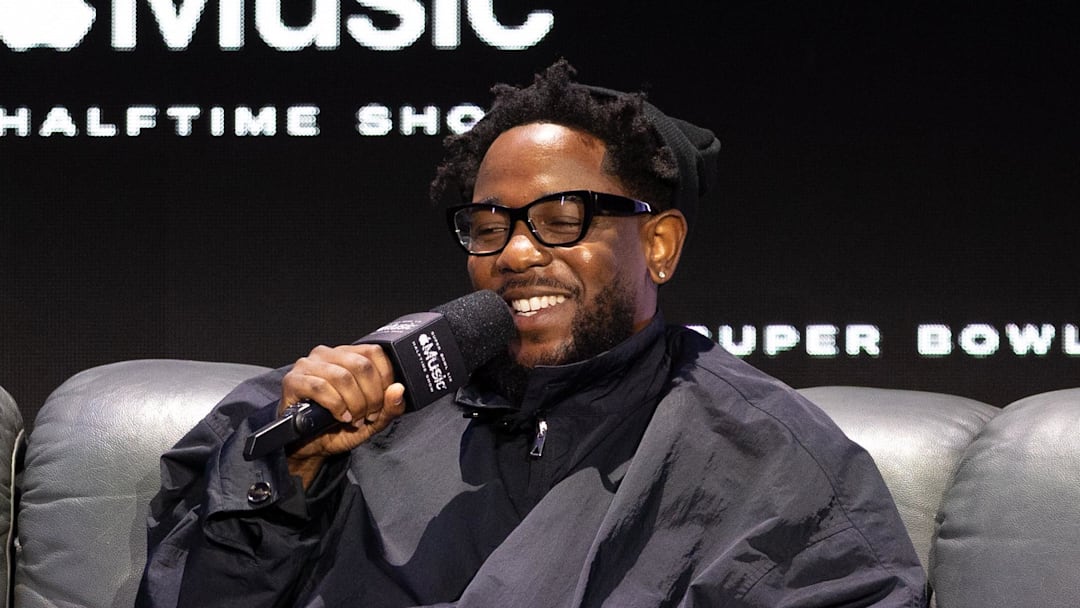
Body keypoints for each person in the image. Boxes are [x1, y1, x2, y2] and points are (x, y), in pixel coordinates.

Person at [136, 59, 927, 607]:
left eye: (560, 219)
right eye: (487, 226)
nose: (515, 253)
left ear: (658, 245)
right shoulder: (362, 396)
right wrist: (289, 481)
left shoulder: (770, 463)